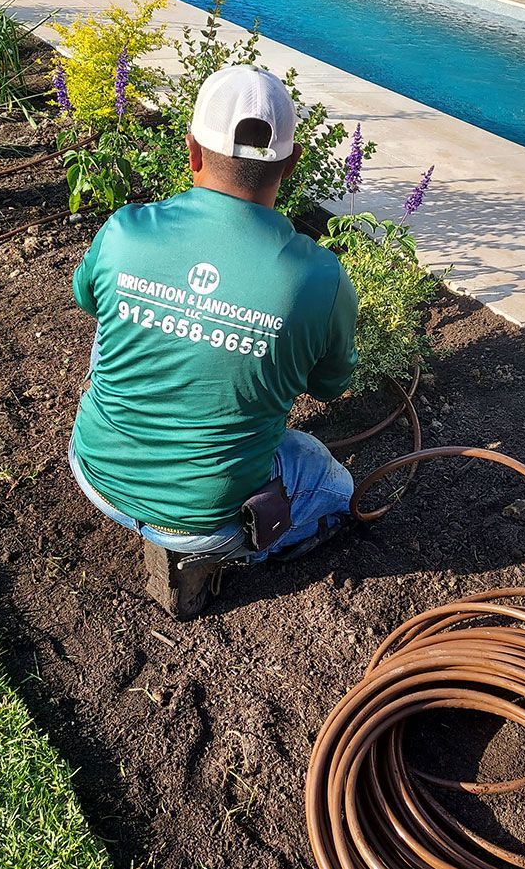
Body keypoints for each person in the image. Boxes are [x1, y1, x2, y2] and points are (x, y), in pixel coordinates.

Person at [68, 65, 359, 619]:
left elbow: (89, 301)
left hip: (95, 473)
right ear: (291, 165)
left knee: (113, 328)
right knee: (326, 477)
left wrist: (171, 313)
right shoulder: (320, 279)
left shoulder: (125, 230)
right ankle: (228, 552)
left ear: (193, 151)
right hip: (206, 521)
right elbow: (331, 385)